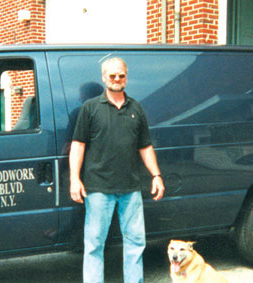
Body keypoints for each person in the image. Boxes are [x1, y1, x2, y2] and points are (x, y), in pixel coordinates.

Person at [69, 57, 165, 283]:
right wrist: (75, 178)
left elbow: (145, 146)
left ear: (126, 77)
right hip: (98, 188)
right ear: (104, 78)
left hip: (131, 188)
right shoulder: (90, 108)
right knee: (94, 245)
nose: (117, 79)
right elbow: (78, 145)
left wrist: (156, 175)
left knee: (135, 243)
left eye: (121, 75)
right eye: (112, 76)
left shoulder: (136, 108)